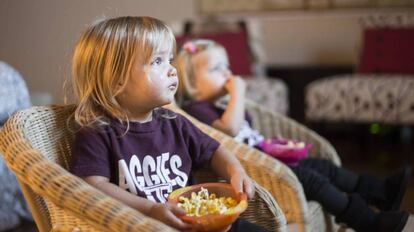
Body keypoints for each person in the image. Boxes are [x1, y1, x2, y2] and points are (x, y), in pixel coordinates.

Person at [175, 39, 413, 232]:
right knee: (313, 181)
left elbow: (248, 134)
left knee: (324, 167)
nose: (228, 75)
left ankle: (379, 192)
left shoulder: (220, 103)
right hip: (260, 172)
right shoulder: (196, 110)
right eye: (217, 69)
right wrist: (238, 94)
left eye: (227, 66)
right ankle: (369, 222)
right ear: (193, 85)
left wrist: (273, 143)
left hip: (270, 159)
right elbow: (230, 130)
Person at [68, 16, 268, 232]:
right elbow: (93, 186)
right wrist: (150, 209)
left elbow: (214, 151)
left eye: (170, 60)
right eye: (157, 61)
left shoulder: (175, 123)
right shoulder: (97, 131)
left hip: (199, 219)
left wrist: (235, 171)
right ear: (116, 79)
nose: (172, 70)